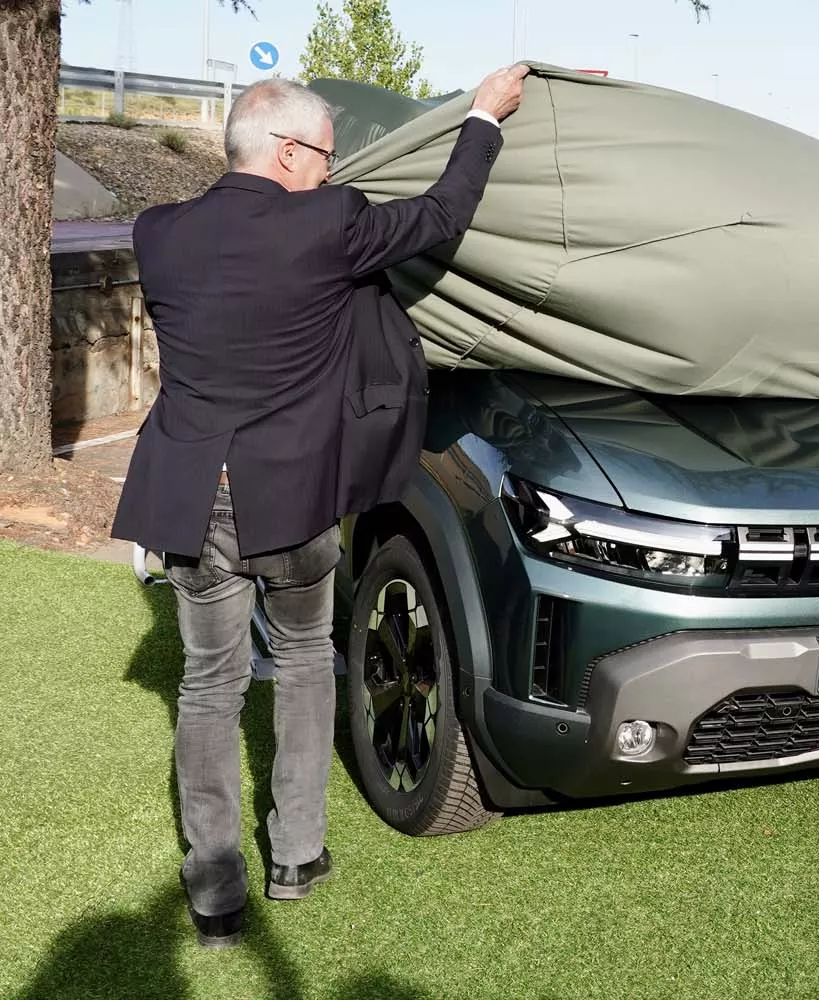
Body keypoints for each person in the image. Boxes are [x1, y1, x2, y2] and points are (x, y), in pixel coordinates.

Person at [109, 65, 530, 948]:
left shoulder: (158, 234)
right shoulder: (329, 225)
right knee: (303, 662)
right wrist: (484, 116)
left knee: (207, 685)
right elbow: (444, 214)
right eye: (327, 159)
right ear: (290, 151)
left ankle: (214, 891)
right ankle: (296, 855)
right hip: (292, 500)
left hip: (190, 498)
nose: (334, 175)